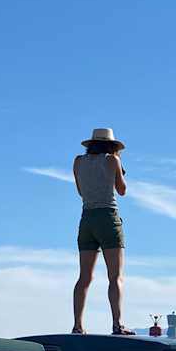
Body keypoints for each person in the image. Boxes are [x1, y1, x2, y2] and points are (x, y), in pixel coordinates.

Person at [72, 128, 133, 334]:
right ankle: (117, 324)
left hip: (87, 218)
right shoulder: (112, 161)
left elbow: (81, 191)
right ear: (112, 145)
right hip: (108, 217)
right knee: (115, 276)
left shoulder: (78, 162)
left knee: (84, 277)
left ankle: (78, 325)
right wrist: (118, 167)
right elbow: (122, 190)